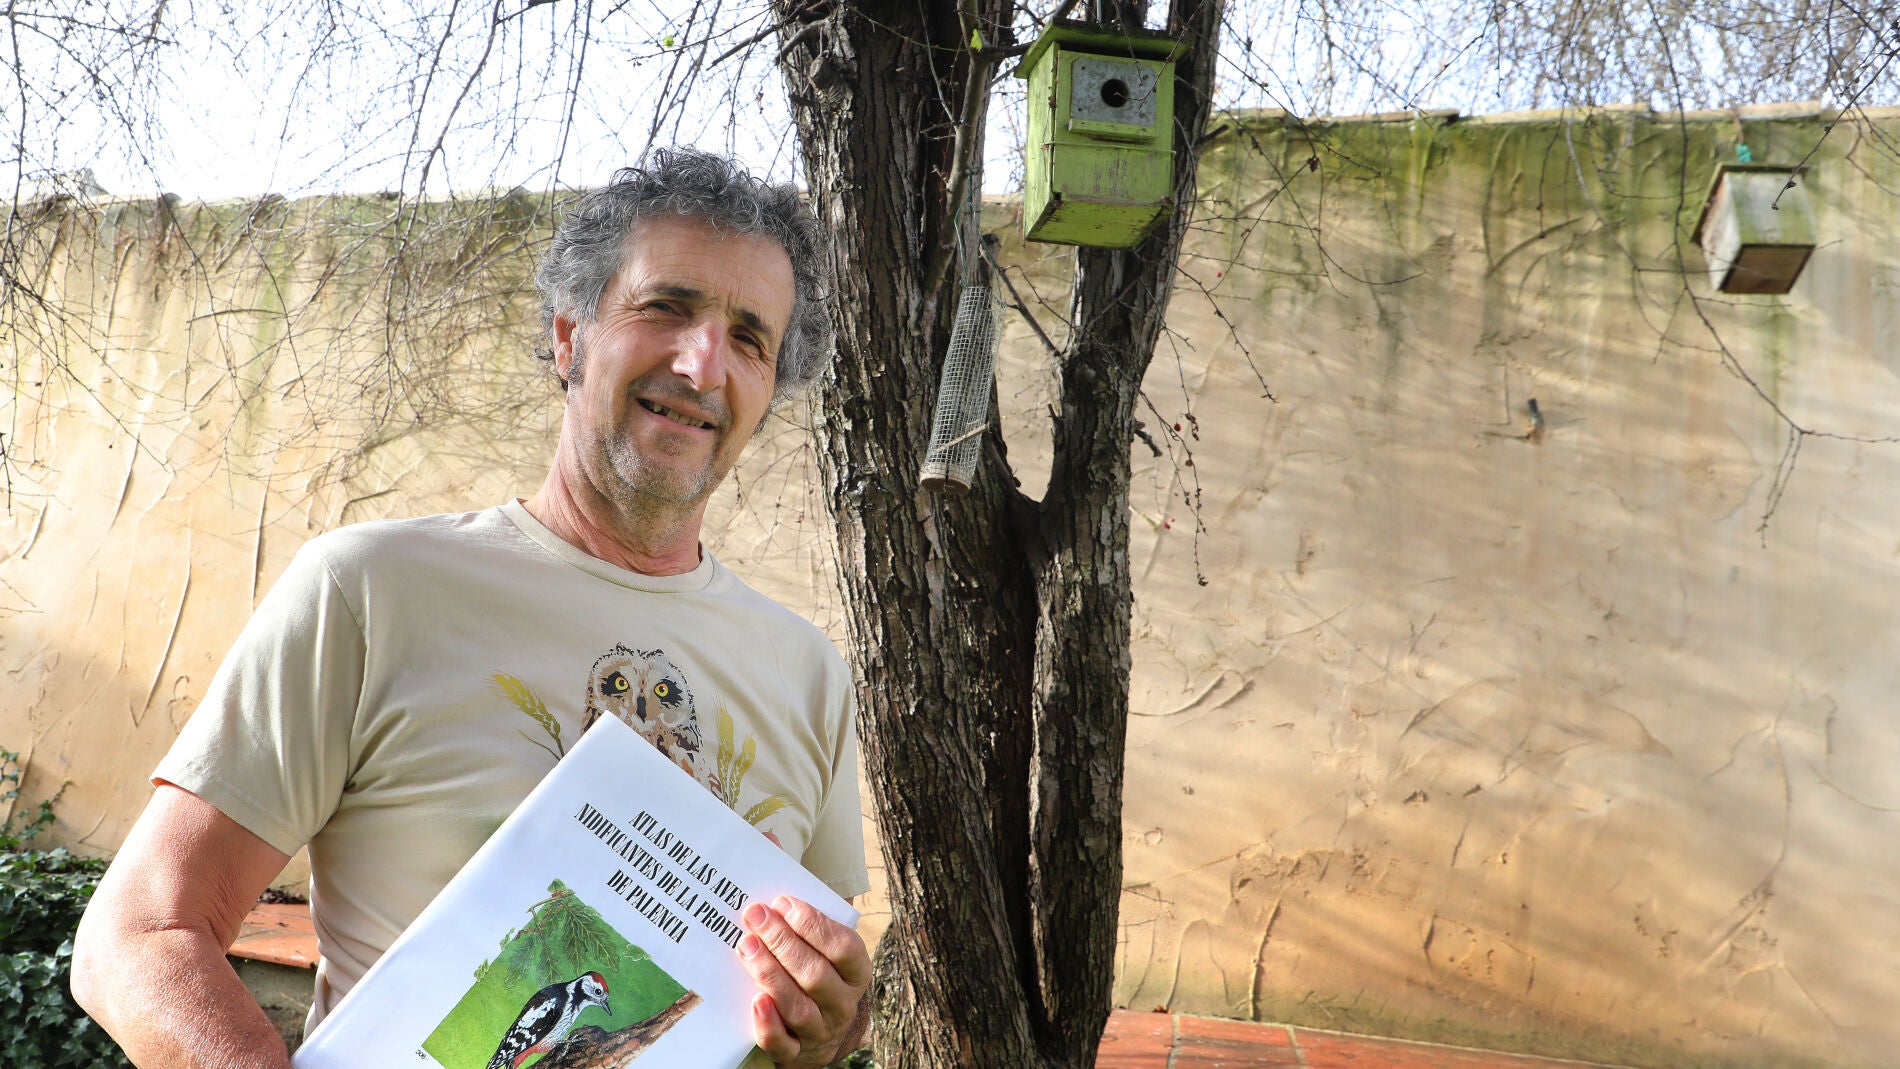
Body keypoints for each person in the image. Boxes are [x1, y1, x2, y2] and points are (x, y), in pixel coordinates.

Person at [71, 149, 872, 1069]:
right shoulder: (370, 590)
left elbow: (829, 1013)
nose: (701, 363)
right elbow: (138, 936)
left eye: (748, 337)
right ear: (569, 337)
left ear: (768, 390)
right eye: (666, 307)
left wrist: (832, 1013)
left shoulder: (808, 673)